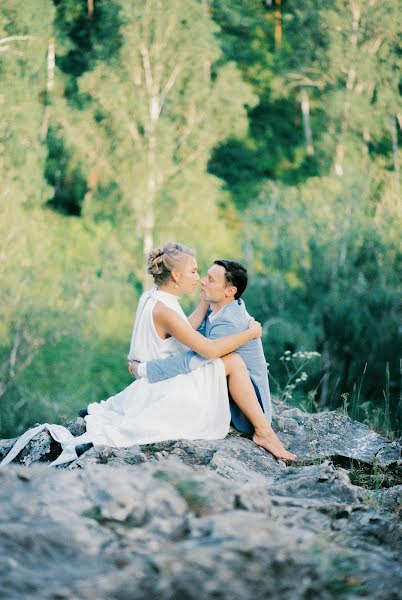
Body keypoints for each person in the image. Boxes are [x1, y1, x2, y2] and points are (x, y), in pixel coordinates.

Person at [0, 242, 296, 468]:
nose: (200, 279)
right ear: (177, 275)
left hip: (181, 377)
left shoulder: (155, 297)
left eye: (206, 277)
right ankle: (263, 432)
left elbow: (185, 331)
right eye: (195, 272)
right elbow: (204, 350)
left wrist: (205, 305)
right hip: (168, 378)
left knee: (230, 360)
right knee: (230, 360)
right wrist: (252, 333)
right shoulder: (166, 310)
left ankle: (262, 428)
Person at [128, 258, 293, 457]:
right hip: (223, 389)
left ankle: (263, 432)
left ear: (230, 291)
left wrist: (145, 369)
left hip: (245, 411)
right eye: (205, 276)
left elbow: (193, 359)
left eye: (211, 280)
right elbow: (187, 334)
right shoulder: (220, 307)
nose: (202, 281)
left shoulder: (229, 323)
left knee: (181, 381)